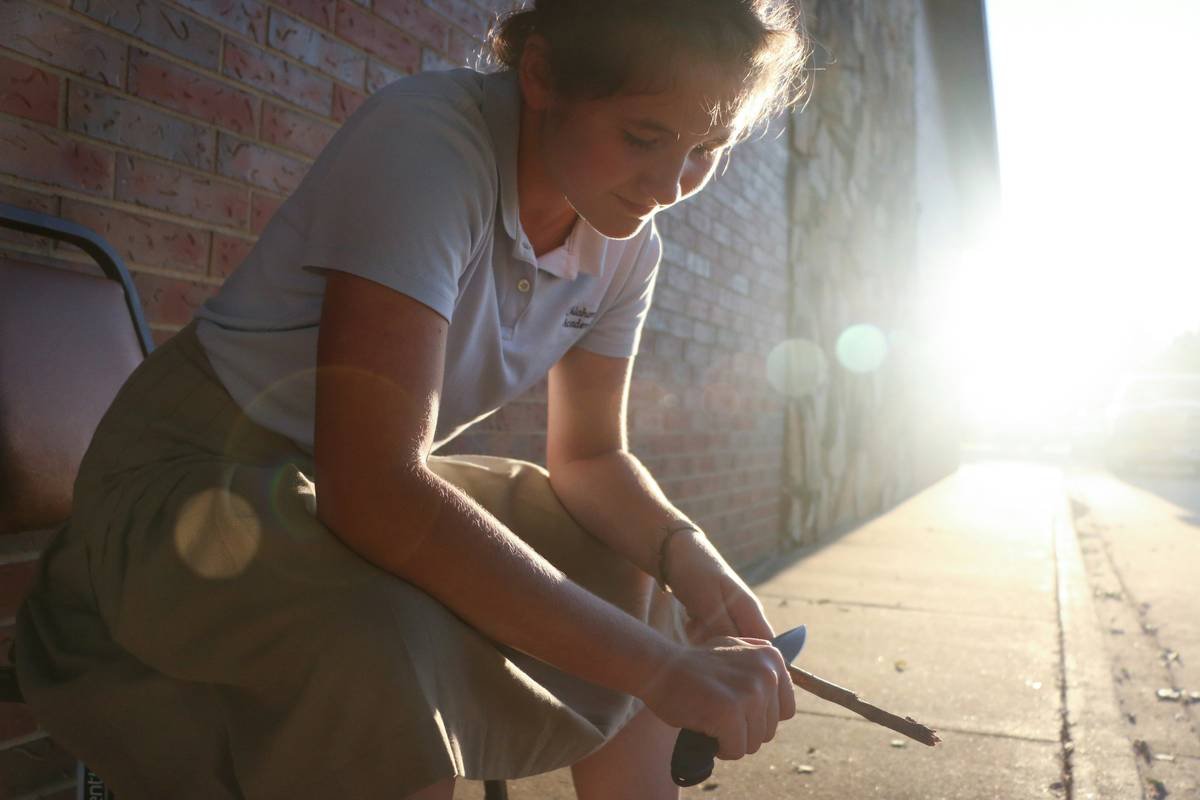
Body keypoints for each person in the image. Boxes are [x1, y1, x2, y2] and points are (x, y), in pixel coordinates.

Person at [15, 1, 812, 797]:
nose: (669, 186)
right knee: (387, 641)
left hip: (331, 485)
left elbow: (594, 458)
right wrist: (661, 669)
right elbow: (376, 493)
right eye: (644, 136)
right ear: (541, 74)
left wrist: (689, 560)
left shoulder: (628, 245)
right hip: (192, 483)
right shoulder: (429, 143)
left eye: (707, 150)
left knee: (621, 565)